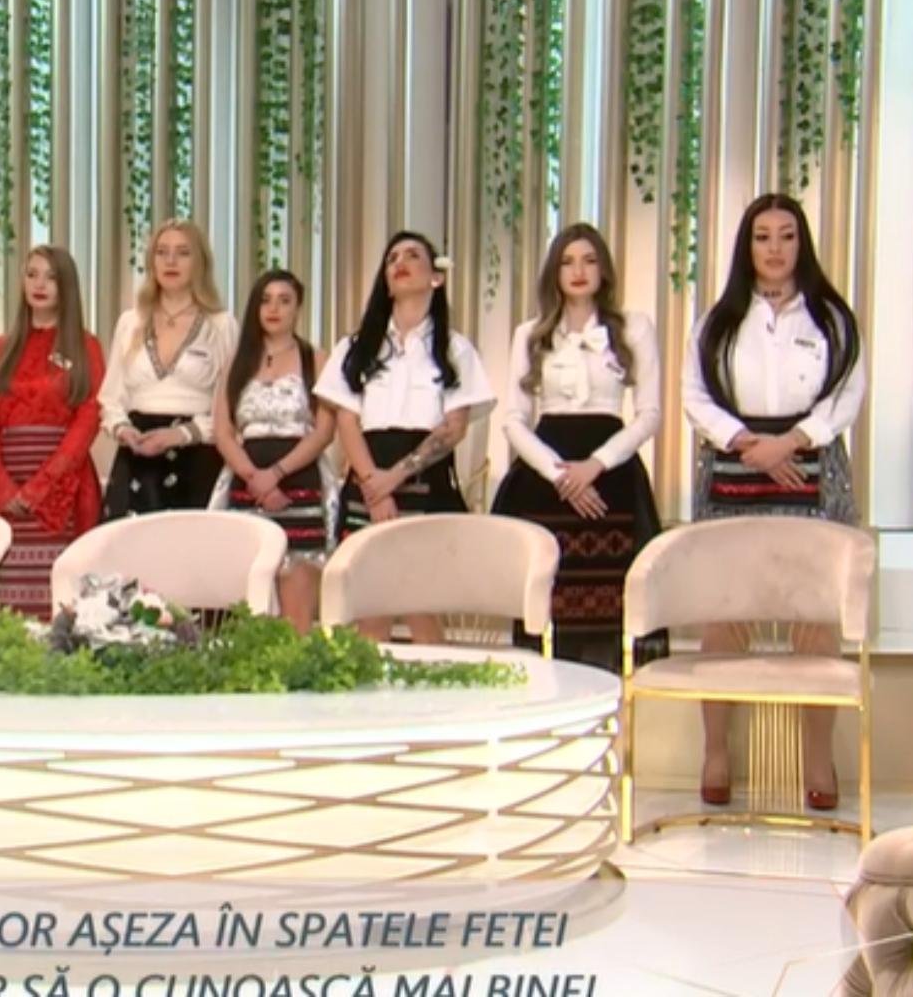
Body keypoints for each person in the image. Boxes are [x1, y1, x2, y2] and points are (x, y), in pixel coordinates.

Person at [682, 193, 864, 811]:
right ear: (748, 247)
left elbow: (846, 396)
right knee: (726, 612)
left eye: (787, 236)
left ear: (801, 244)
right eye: (763, 237)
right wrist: (748, 445)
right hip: (734, 463)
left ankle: (818, 759)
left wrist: (790, 443)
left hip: (810, 463)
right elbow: (695, 396)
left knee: (814, 614)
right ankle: (716, 752)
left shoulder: (832, 318)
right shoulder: (717, 322)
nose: (775, 248)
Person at [491, 224, 665, 674]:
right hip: (545, 479)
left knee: (612, 608)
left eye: (589, 260)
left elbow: (649, 414)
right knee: (547, 604)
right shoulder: (530, 333)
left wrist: (595, 465)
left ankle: (612, 708)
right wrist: (560, 474)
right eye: (567, 262)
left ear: (603, 269)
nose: (578, 271)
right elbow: (514, 420)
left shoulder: (633, 327)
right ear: (554, 272)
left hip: (612, 477)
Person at [315, 231, 496, 644]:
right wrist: (373, 486)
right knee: (371, 607)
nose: (400, 262)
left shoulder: (455, 349)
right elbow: (346, 420)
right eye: (392, 257)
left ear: (436, 277)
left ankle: (436, 686)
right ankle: (366, 686)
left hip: (425, 480)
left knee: (420, 604)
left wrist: (394, 478)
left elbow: (453, 428)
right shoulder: (355, 347)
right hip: (367, 479)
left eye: (413, 255)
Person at [0, 246, 105, 618]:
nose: (40, 284)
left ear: (67, 286)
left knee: (63, 597)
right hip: (9, 482)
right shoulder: (0, 348)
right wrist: (1, 486)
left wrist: (41, 486)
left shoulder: (86, 346)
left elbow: (89, 417)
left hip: (64, 484)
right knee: (10, 602)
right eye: (32, 274)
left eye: (51, 277)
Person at [211, 269, 336, 635]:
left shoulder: (317, 359)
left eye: (284, 301)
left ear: (298, 308)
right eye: (265, 300)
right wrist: (255, 478)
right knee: (250, 611)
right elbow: (223, 431)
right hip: (245, 484)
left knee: (297, 616)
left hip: (300, 481)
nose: (274, 309)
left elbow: (324, 431)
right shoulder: (236, 362)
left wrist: (277, 474)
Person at [98, 219, 239, 519]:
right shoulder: (131, 322)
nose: (170, 261)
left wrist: (182, 434)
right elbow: (111, 398)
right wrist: (123, 429)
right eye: (162, 252)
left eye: (182, 253)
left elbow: (232, 408)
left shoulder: (220, 325)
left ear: (199, 262)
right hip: (137, 457)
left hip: (196, 459)